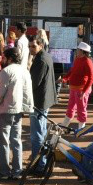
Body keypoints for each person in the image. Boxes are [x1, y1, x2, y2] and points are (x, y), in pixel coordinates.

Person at [0, 47, 34, 180]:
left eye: (4, 57)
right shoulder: (25, 71)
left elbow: (0, 93)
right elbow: (28, 92)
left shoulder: (6, 71)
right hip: (18, 110)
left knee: (3, 141)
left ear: (9, 58)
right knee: (16, 141)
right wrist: (27, 109)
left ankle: (4, 171)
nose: (2, 60)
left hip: (5, 110)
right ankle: (17, 171)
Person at [28, 34, 56, 171]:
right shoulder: (45, 56)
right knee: (42, 134)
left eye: (33, 46)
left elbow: (34, 83)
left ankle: (38, 164)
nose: (31, 49)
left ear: (41, 45)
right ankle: (41, 163)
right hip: (44, 101)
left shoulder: (41, 60)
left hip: (39, 102)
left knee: (37, 136)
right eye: (29, 46)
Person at [61, 42, 93, 129]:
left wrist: (84, 91)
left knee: (81, 109)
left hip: (81, 90)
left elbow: (92, 78)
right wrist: (65, 78)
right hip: (73, 89)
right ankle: (65, 125)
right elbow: (72, 70)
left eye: (78, 50)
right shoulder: (77, 59)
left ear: (83, 51)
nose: (76, 51)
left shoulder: (88, 62)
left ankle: (81, 128)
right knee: (70, 107)